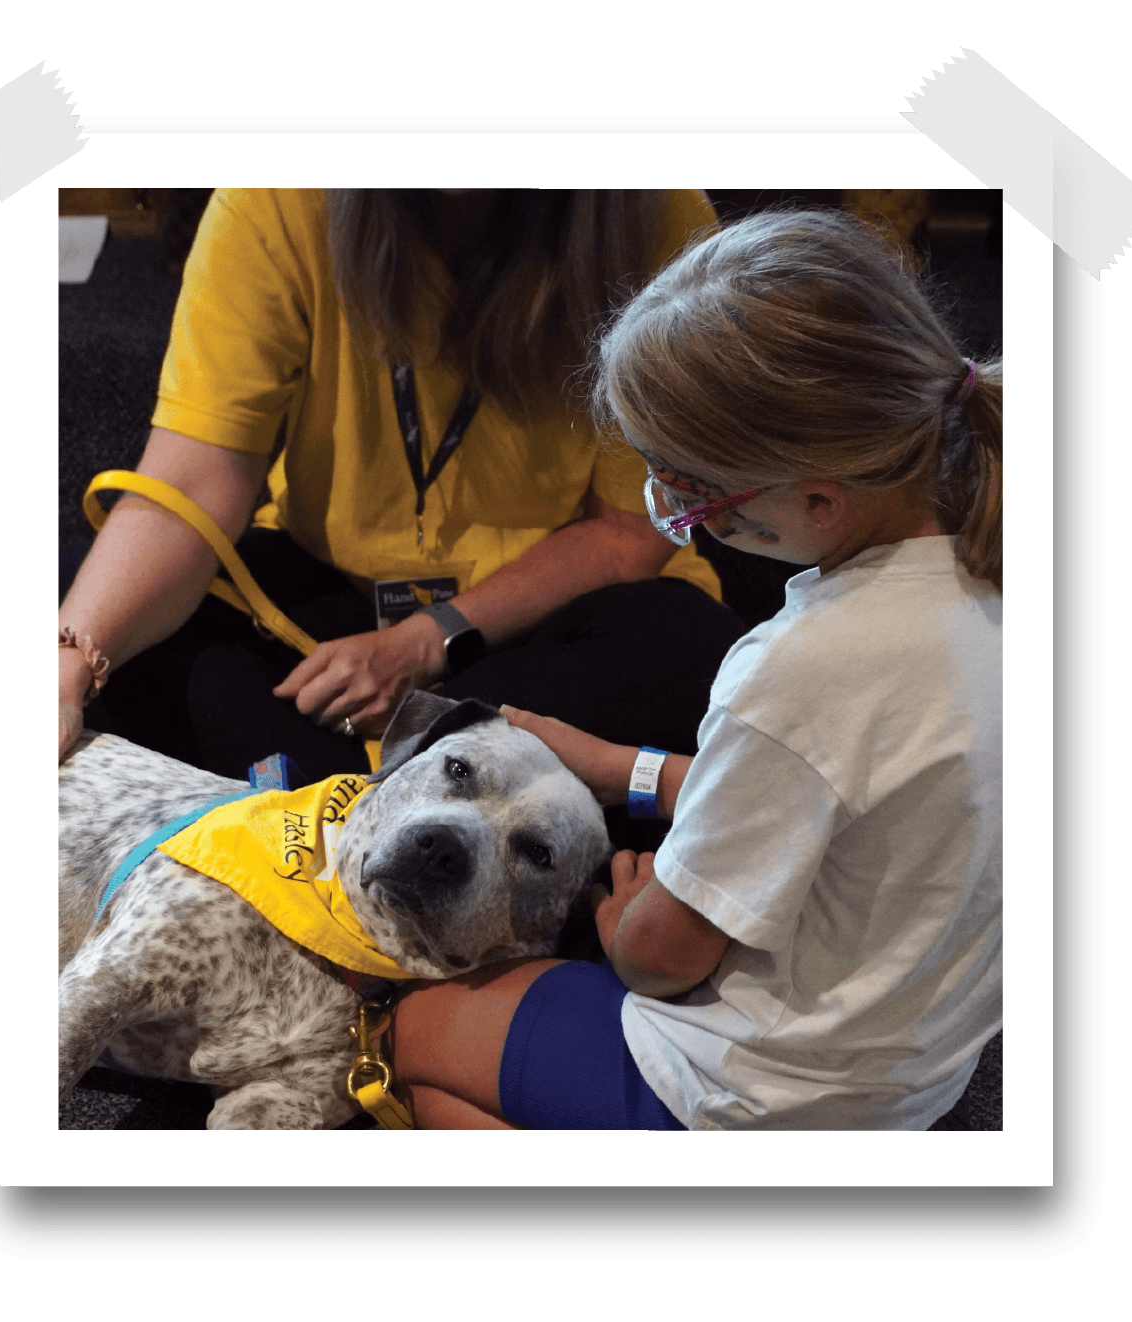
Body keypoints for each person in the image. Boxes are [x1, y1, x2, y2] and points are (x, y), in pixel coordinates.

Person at [390, 207, 1003, 1130]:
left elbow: (665, 958)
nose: (676, 511)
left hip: (757, 1095)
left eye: (690, 493)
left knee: (400, 1040)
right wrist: (620, 769)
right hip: (910, 1077)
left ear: (819, 500)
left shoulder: (796, 668)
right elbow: (841, 793)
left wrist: (626, 923)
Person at [59, 190, 744, 797]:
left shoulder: (657, 213)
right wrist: (68, 662)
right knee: (76, 607)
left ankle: (307, 797)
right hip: (335, 593)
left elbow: (630, 533)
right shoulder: (273, 196)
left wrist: (428, 641)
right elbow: (190, 487)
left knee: (694, 659)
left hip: (546, 611)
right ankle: (444, 803)